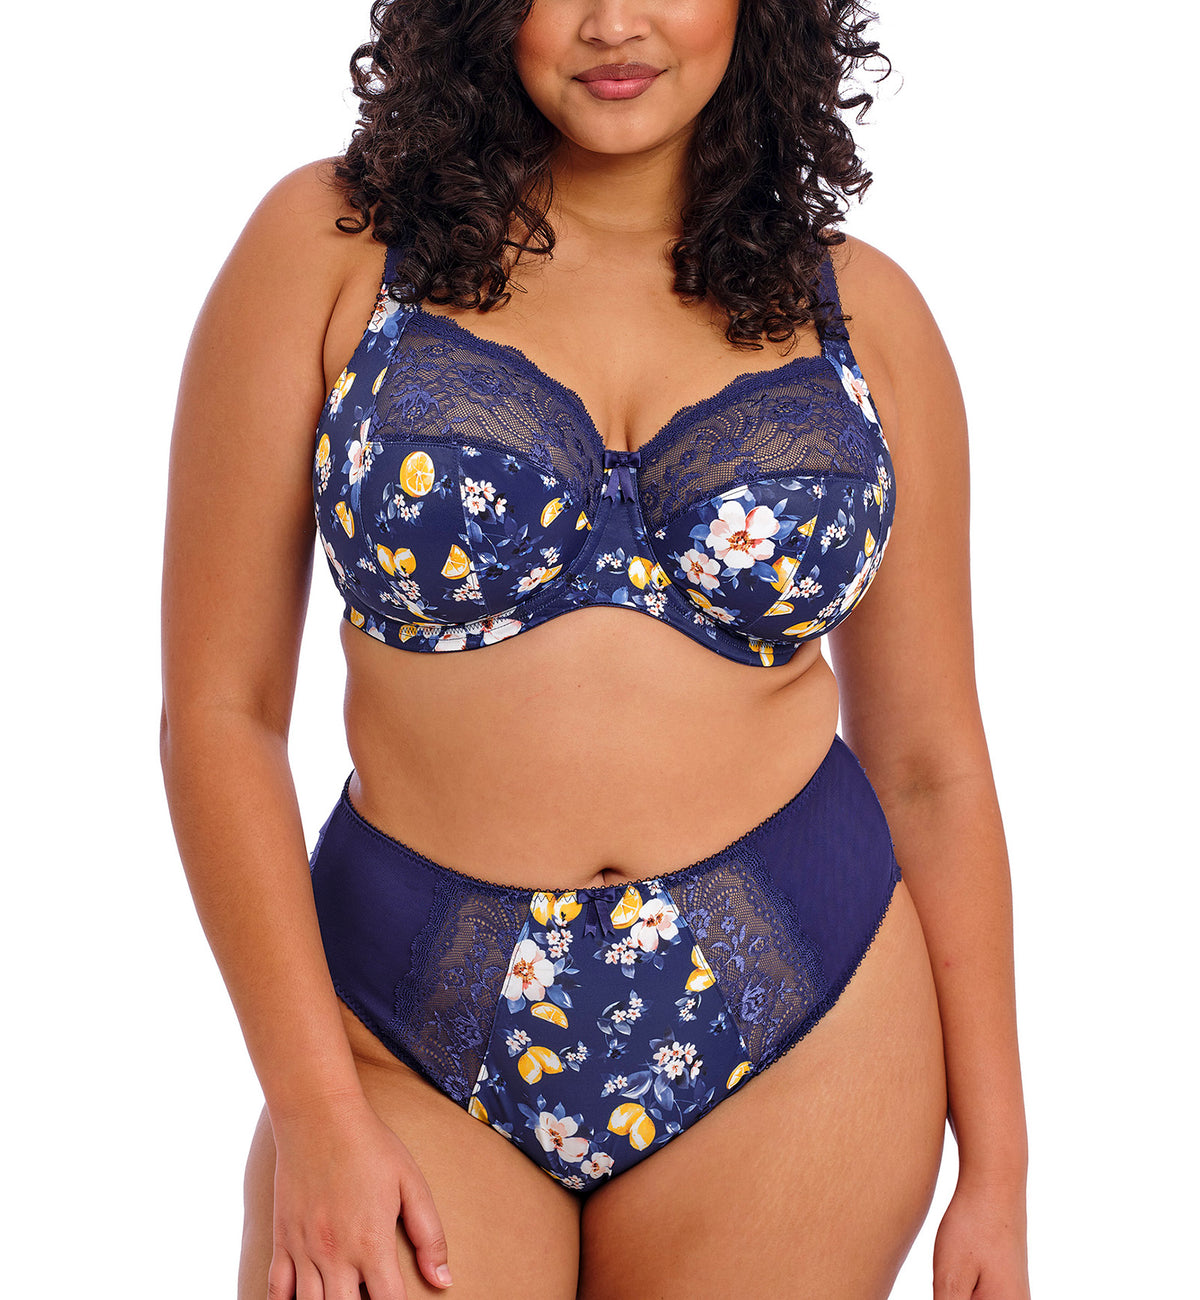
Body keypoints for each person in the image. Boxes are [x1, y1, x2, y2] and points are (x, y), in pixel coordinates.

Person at [160, 0, 1030, 1295]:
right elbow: (220, 713)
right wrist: (313, 1114)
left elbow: (928, 765)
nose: (614, 22)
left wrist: (1000, 1174)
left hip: (803, 1016)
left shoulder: (866, 317)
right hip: (405, 1025)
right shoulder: (335, 249)